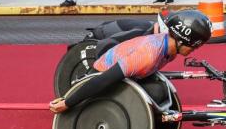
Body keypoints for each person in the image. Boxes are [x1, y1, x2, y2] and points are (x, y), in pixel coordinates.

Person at [49, 10, 212, 114]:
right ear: (182, 40)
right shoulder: (147, 55)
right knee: (153, 93)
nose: (194, 51)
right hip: (100, 75)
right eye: (194, 47)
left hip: (127, 75)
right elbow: (104, 79)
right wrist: (68, 102)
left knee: (158, 92)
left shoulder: (170, 50)